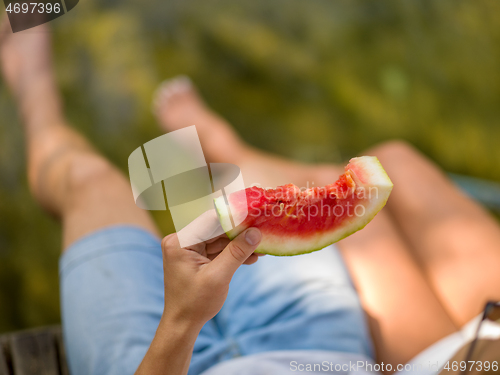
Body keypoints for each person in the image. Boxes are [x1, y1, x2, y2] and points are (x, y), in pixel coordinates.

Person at [1, 22, 500, 375]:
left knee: (89, 181)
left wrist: (181, 322)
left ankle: (34, 90)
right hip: (322, 347)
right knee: (256, 196)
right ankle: (219, 148)